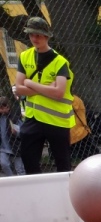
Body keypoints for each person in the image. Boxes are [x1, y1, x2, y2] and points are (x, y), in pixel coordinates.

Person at [13, 16, 75, 174]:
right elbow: (19, 88)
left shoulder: (60, 62)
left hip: (57, 120)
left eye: (38, 35)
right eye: (31, 35)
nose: (34, 38)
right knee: (29, 160)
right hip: (33, 118)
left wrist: (30, 83)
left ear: (46, 36)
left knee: (63, 164)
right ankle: (36, 189)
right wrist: (46, 88)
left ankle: (63, 189)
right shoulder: (25, 56)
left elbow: (59, 93)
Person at [0, 95, 24, 176]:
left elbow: (23, 131)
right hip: (3, 148)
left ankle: (23, 182)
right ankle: (11, 178)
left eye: (3, 108)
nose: (2, 110)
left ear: (8, 107)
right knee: (4, 164)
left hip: (15, 147)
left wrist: (16, 132)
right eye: (0, 108)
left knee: (20, 169)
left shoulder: (14, 117)